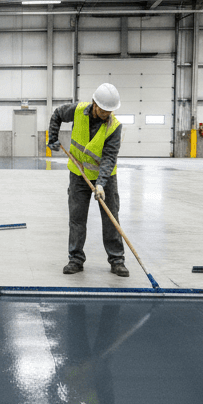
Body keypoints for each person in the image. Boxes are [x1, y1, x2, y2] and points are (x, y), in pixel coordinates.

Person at [47, 83, 129, 277]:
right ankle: (75, 259)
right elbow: (57, 114)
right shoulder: (77, 111)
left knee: (111, 218)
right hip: (78, 174)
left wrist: (101, 183)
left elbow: (109, 157)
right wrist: (52, 138)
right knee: (77, 218)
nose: (106, 113)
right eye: (103, 109)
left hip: (106, 178)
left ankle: (117, 260)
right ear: (94, 104)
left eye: (109, 110)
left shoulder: (114, 126)